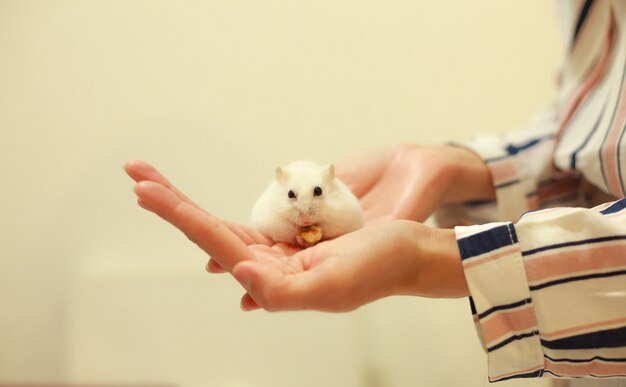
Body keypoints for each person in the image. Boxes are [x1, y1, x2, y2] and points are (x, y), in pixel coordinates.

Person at [125, 0, 626, 383]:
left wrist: (430, 257)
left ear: (331, 181)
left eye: (316, 195)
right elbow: (585, 125)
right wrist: (456, 164)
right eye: (295, 201)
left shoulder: (337, 202)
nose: (305, 212)